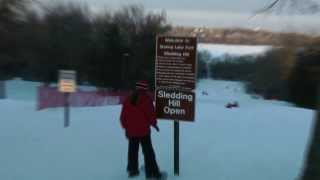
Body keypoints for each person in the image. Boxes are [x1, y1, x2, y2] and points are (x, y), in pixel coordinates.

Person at [120, 80, 162, 179]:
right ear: (145, 89)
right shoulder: (146, 99)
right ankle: (152, 172)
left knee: (132, 151)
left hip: (131, 132)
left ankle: (132, 170)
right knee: (148, 151)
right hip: (144, 132)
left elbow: (123, 117)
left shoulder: (128, 99)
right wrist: (154, 124)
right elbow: (151, 115)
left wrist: (126, 128)